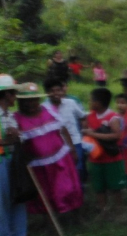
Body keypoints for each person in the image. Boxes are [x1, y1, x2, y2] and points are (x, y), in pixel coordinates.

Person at [13, 82, 83, 216]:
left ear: (38, 100)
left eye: (33, 100)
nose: (30, 104)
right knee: (46, 194)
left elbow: (63, 129)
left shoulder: (50, 111)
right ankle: (51, 221)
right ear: (20, 102)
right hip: (39, 166)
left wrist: (72, 150)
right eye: (26, 101)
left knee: (67, 189)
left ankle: (74, 216)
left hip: (61, 160)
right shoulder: (16, 119)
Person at [82, 87, 127, 211]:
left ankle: (119, 209)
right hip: (95, 159)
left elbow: (116, 135)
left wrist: (93, 134)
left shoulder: (113, 117)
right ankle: (103, 210)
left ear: (98, 102)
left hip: (111, 159)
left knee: (115, 186)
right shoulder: (89, 116)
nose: (89, 103)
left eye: (91, 100)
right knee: (98, 187)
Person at [0, 75, 28, 236]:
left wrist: (17, 136)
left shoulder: (10, 116)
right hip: (1, 161)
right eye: (13, 94)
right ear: (7, 95)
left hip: (13, 161)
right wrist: (10, 139)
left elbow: (20, 137)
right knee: (2, 203)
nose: (15, 98)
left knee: (18, 197)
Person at [45, 79, 88, 184]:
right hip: (57, 146)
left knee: (78, 171)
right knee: (62, 173)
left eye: (58, 90)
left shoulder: (71, 103)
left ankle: (79, 196)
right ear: (47, 93)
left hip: (75, 142)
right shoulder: (44, 108)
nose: (56, 93)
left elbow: (82, 117)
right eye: (52, 91)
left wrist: (84, 134)